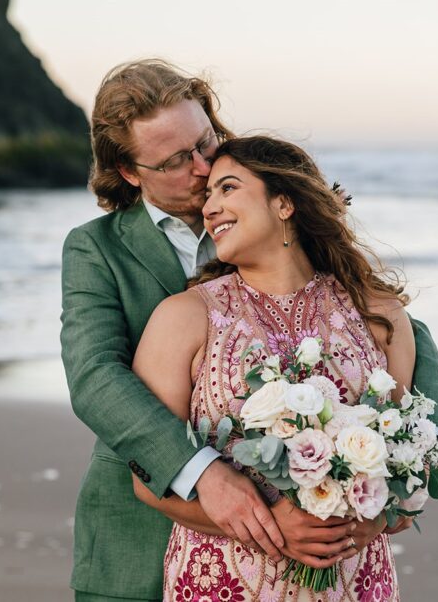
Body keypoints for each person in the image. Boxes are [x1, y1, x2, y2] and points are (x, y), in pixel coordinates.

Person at [60, 60, 438, 601]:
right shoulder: (98, 249)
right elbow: (95, 377)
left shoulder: (270, 211)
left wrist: (411, 460)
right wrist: (203, 474)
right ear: (131, 172)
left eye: (207, 141)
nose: (201, 169)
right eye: (177, 160)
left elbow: (392, 325)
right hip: (144, 529)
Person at [132, 135, 422, 600]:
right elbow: (148, 481)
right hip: (225, 582)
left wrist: (378, 515)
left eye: (227, 189)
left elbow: (408, 467)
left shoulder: (380, 316)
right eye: (208, 196)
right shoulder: (183, 318)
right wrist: (273, 529)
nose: (210, 208)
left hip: (354, 581)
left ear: (284, 203)